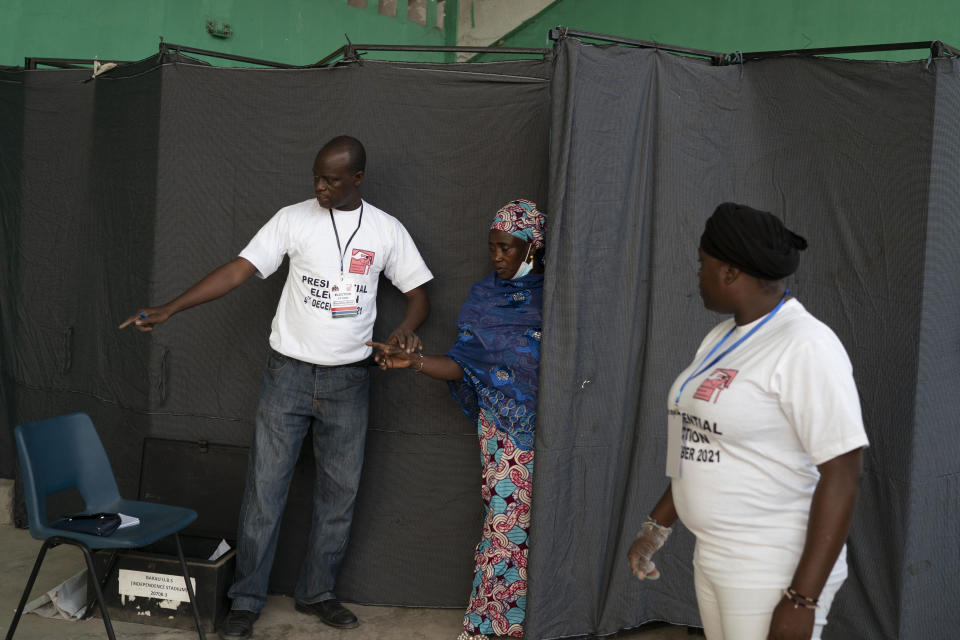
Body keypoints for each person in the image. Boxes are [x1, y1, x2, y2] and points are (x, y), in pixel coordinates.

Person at [120, 136, 433, 640]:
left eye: (332, 179)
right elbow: (239, 270)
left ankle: (317, 593)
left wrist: (407, 326)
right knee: (265, 492)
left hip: (350, 382)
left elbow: (418, 294)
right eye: (317, 176)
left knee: (340, 495)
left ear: (357, 179)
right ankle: (246, 600)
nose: (320, 186)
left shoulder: (386, 231)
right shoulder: (292, 218)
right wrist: (170, 307)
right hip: (287, 375)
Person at [627, 203, 869, 640]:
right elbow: (703, 445)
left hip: (772, 563)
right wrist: (657, 525)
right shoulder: (721, 337)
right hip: (717, 555)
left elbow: (844, 473)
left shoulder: (806, 345)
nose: (697, 274)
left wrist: (801, 599)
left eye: (703, 264)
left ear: (730, 272)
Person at [367, 199, 545, 640]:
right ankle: (492, 627)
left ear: (532, 248)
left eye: (506, 248)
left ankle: (544, 618)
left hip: (557, 432)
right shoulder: (484, 298)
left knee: (548, 527)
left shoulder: (558, 298)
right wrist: (415, 363)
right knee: (505, 525)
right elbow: (464, 364)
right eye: (493, 248)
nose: (498, 257)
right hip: (505, 433)